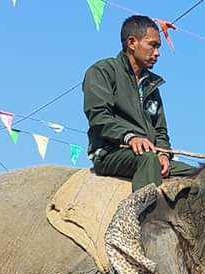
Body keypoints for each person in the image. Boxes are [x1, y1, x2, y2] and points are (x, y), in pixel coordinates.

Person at [84, 15, 197, 192]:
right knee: (148, 159)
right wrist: (130, 137)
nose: (158, 53)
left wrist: (164, 154)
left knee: (200, 175)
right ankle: (140, 217)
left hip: (149, 154)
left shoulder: (152, 85)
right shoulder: (103, 71)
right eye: (153, 45)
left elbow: (160, 130)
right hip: (110, 153)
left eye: (158, 47)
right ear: (132, 43)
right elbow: (99, 117)